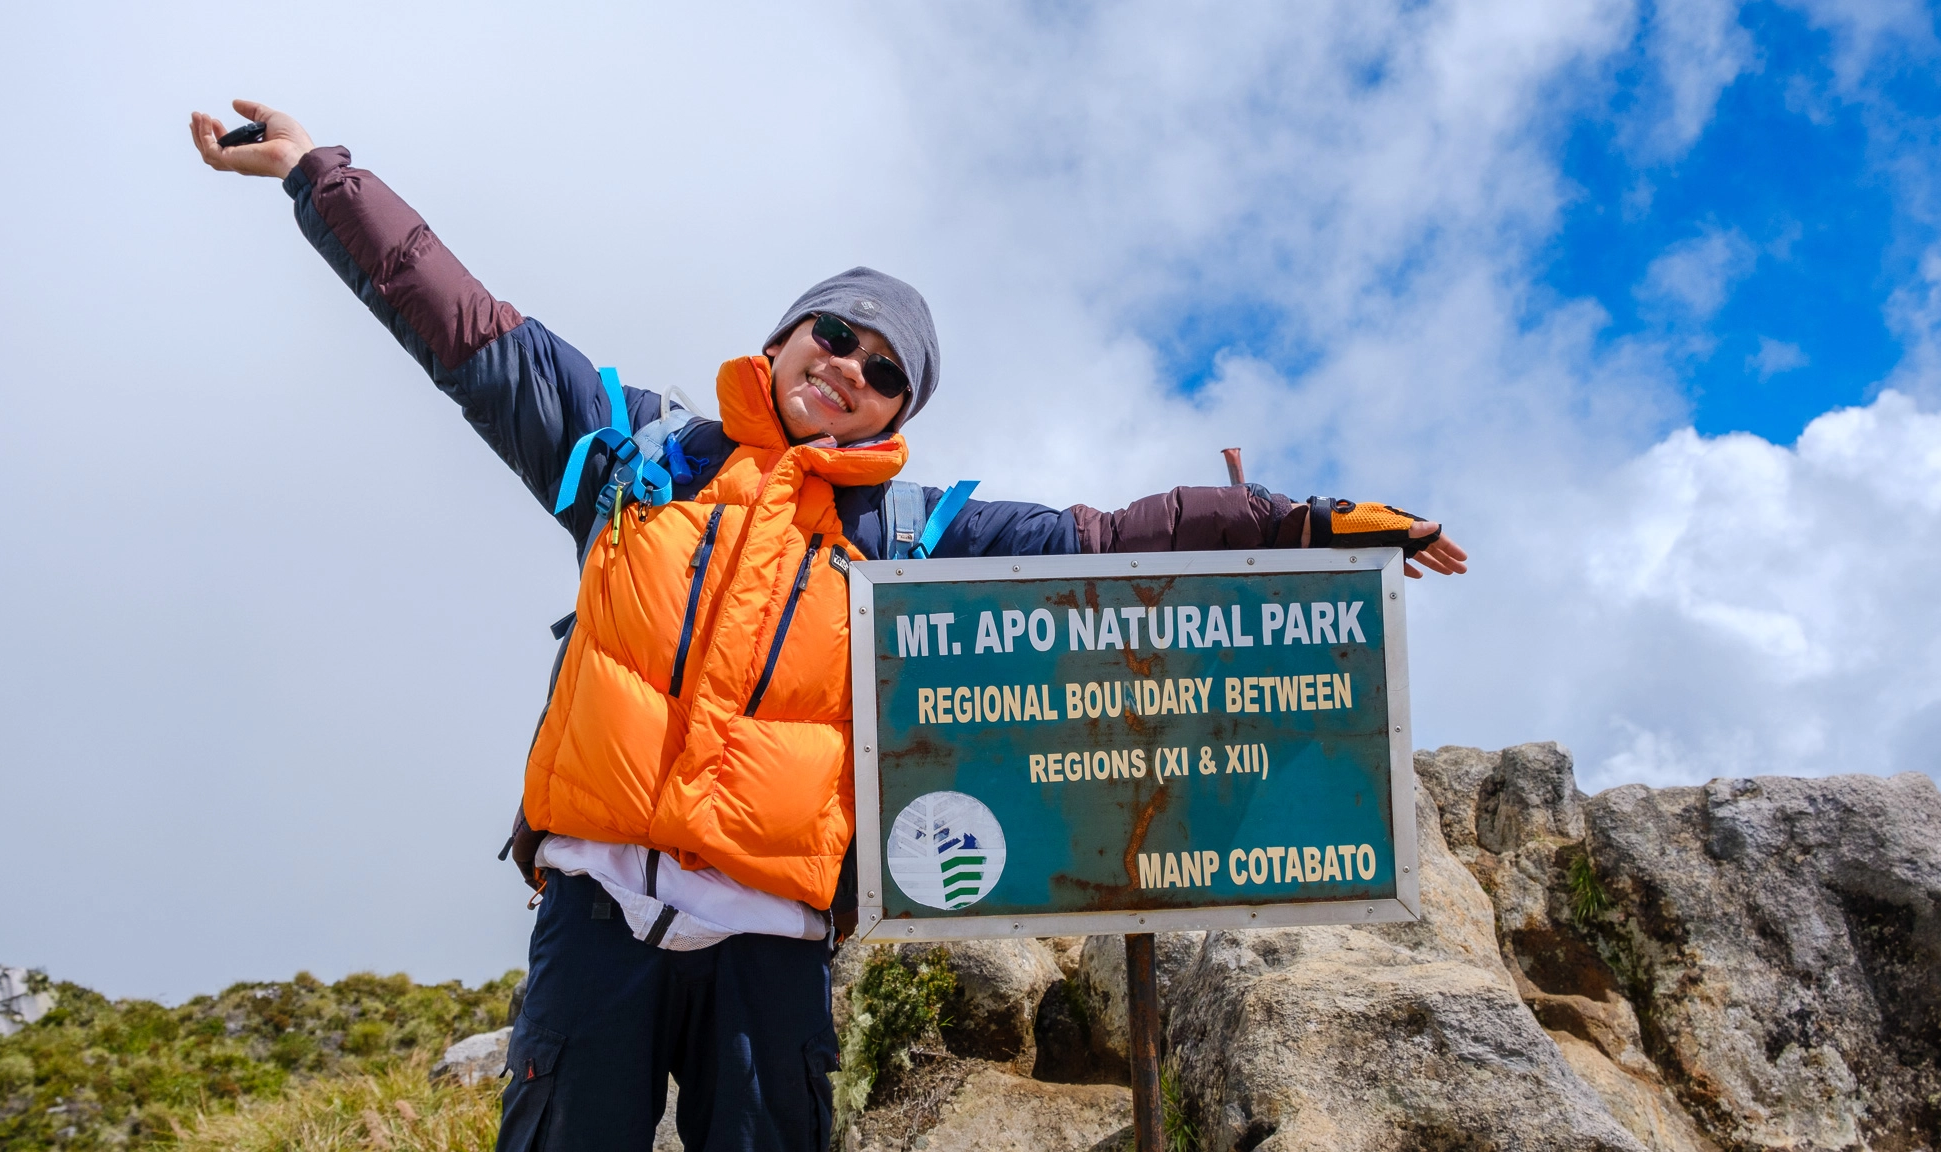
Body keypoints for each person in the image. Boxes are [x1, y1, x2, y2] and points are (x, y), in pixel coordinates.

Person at [190, 99, 1468, 1152]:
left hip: (771, 948)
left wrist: (1300, 522)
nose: (849, 367)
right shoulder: (635, 454)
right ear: (786, 334)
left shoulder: (912, 537)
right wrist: (320, 174)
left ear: (891, 409)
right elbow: (460, 323)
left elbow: (1105, 539)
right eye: (836, 334)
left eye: (883, 370)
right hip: (590, 924)